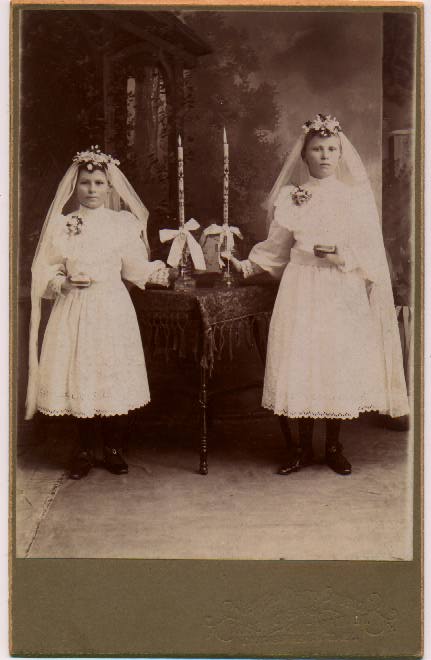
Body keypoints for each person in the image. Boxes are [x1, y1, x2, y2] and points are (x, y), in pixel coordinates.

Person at [226, 114, 409, 476]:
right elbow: (277, 247)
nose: (325, 155)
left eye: (331, 149)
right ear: (304, 154)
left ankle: (334, 446)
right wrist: (246, 265)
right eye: (317, 149)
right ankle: (302, 447)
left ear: (340, 154)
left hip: (339, 287)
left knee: (334, 362)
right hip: (301, 286)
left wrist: (342, 256)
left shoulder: (353, 197)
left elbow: (369, 251)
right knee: (304, 361)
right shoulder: (292, 197)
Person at [25, 146, 173, 479]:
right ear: (74, 186)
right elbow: (45, 269)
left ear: (109, 187)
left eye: (98, 183)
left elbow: (134, 267)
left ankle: (113, 447)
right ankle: (84, 449)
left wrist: (166, 272)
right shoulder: (64, 224)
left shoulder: (121, 224)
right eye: (85, 183)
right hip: (75, 307)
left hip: (112, 308)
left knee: (111, 371)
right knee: (81, 372)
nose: (92, 190)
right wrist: (62, 282)